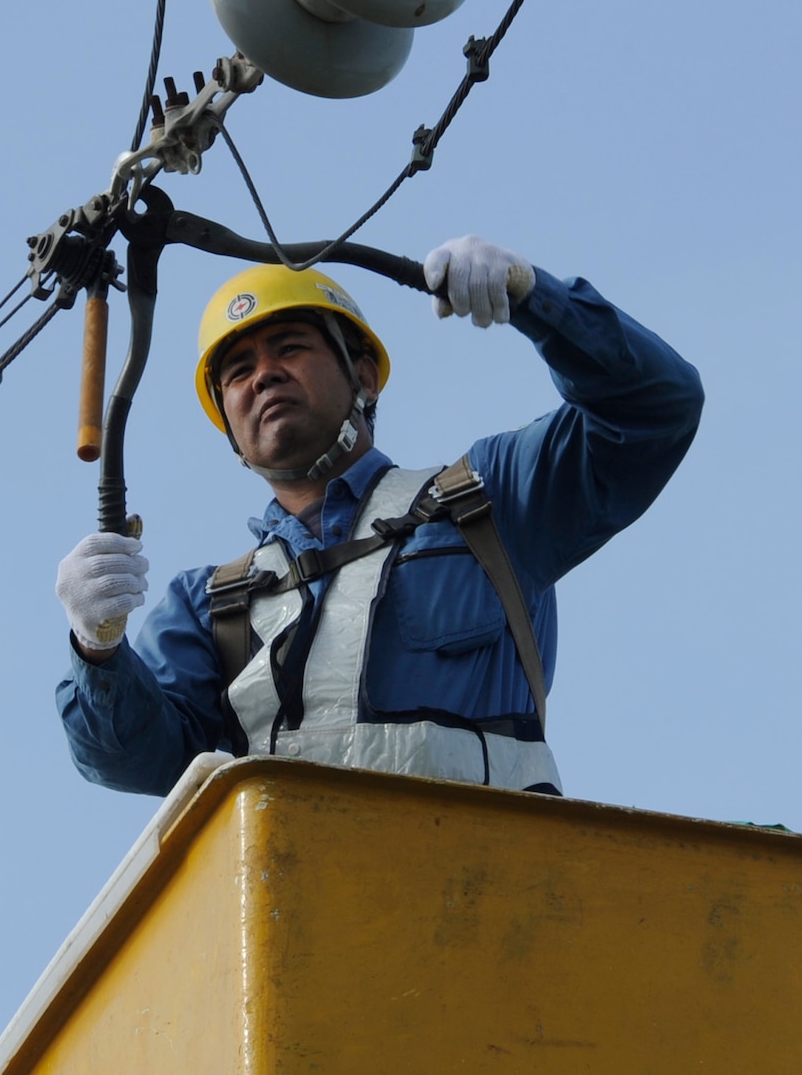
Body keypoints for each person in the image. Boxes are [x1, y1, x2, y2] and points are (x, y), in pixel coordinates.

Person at [55, 235, 703, 799]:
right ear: (227, 426)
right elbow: (133, 759)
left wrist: (538, 300)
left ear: (363, 374)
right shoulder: (210, 606)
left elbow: (654, 409)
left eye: (289, 347)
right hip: (316, 928)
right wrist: (97, 648)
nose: (264, 376)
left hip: (501, 902)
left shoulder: (488, 500)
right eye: (238, 371)